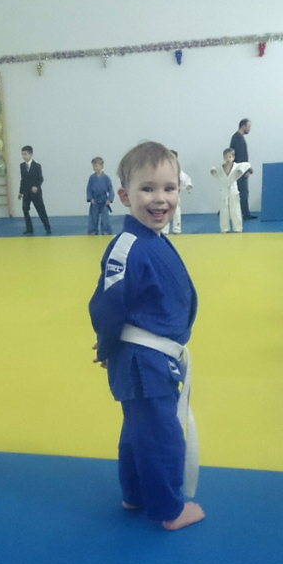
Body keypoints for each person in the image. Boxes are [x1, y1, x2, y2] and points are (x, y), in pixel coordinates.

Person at [89, 141, 205, 531]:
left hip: (154, 358)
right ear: (124, 196)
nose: (160, 198)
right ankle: (170, 510)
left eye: (169, 188)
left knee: (139, 430)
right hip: (144, 362)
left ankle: (136, 493)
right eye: (148, 189)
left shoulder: (153, 238)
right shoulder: (128, 247)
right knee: (161, 437)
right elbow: (107, 304)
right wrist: (107, 346)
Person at [211, 148, 250, 233]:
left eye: (229, 157)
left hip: (233, 190)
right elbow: (214, 169)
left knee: (235, 209)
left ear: (233, 157)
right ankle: (224, 228)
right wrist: (213, 171)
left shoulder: (237, 166)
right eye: (226, 157)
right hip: (224, 190)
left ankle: (238, 228)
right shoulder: (220, 168)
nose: (228, 159)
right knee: (224, 210)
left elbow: (247, 164)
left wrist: (240, 171)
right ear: (223, 158)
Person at [18, 145, 51, 235]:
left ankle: (47, 227)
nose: (23, 156)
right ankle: (29, 228)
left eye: (25, 154)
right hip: (26, 192)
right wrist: (20, 192)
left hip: (36, 193)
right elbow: (23, 180)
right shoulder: (22, 166)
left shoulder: (37, 166)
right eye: (22, 154)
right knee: (25, 209)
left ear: (31, 154)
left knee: (40, 210)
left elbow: (40, 179)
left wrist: (36, 186)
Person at [229, 119, 256, 219]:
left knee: (239, 193)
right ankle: (245, 214)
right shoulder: (238, 139)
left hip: (238, 169)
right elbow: (241, 157)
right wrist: (246, 170)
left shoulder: (236, 137)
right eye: (249, 126)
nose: (249, 129)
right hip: (240, 171)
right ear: (243, 126)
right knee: (243, 193)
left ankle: (242, 213)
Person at [161, 150, 192, 235]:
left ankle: (177, 229)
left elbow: (186, 179)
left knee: (176, 211)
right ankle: (164, 229)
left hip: (174, 194)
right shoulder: (161, 170)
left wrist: (188, 185)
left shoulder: (178, 171)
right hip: (164, 194)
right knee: (164, 210)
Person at [86, 157, 115, 235]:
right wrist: (90, 198)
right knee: (93, 217)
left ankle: (106, 231)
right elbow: (89, 189)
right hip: (95, 200)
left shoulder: (106, 178)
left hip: (104, 200)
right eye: (93, 166)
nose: (94, 168)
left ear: (101, 166)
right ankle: (92, 231)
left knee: (105, 218)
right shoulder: (92, 178)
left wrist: (109, 199)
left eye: (96, 166)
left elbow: (110, 190)